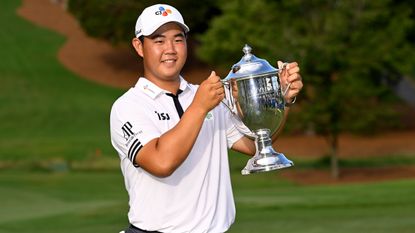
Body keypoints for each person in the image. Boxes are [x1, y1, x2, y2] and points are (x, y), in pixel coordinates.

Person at [110, 3, 303, 233]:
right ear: (139, 46)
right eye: (159, 41)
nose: (170, 49)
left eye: (178, 39)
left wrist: (281, 100)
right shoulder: (128, 106)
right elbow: (161, 163)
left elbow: (254, 145)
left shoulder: (207, 96)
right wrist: (199, 108)